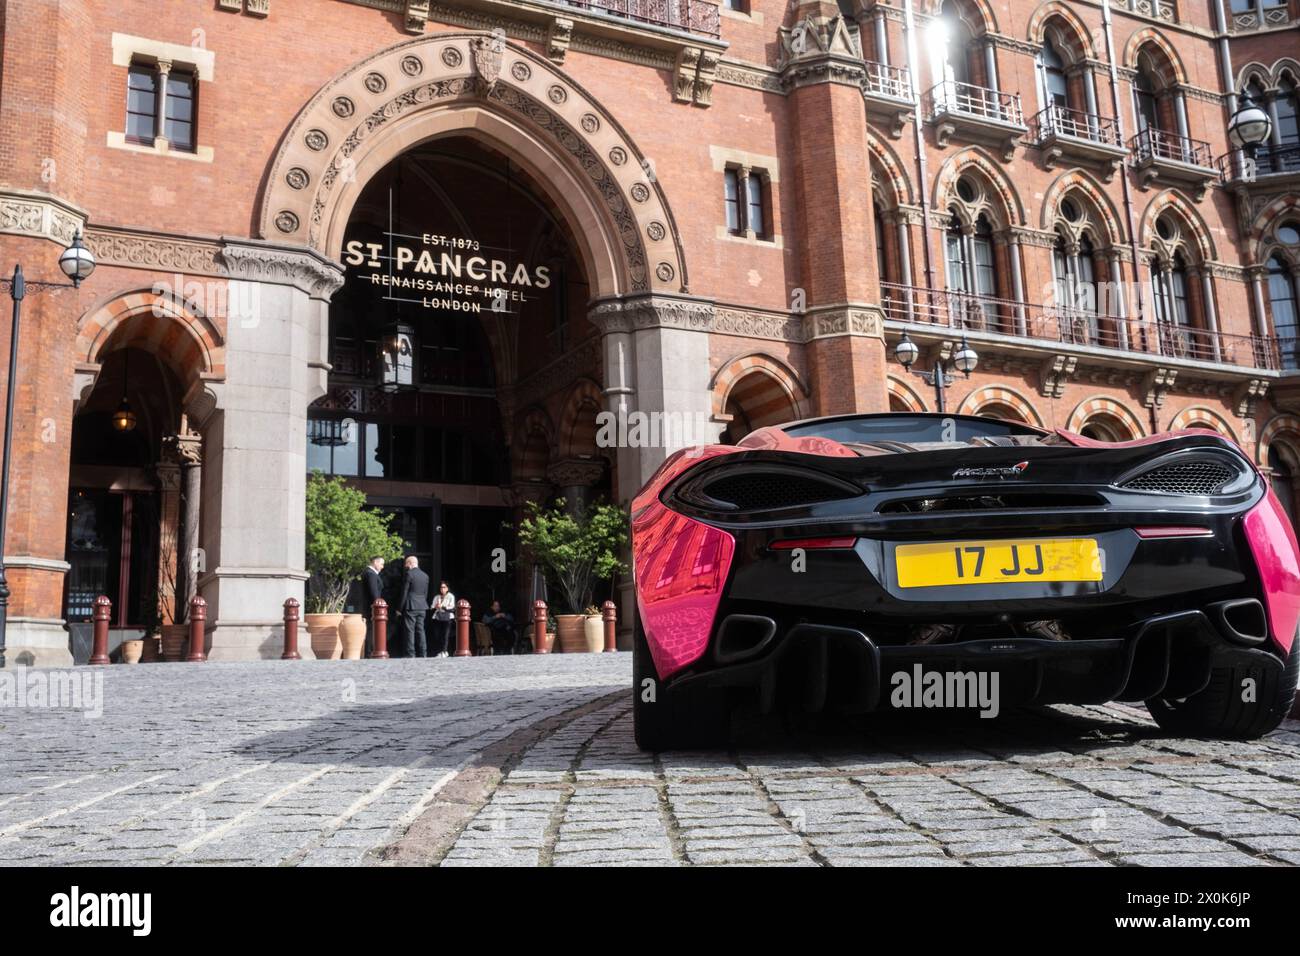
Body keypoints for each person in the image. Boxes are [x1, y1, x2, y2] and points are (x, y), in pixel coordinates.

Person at [398, 555, 430, 658]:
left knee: (410, 630)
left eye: (406, 564)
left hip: (411, 606)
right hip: (422, 606)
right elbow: (425, 593)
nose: (406, 566)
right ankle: (423, 653)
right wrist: (422, 603)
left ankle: (410, 654)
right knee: (421, 630)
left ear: (411, 563)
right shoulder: (425, 576)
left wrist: (399, 608)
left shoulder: (409, 574)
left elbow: (404, 592)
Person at [361, 555, 384, 657]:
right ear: (375, 562)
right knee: (370, 630)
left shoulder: (370, 573)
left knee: (371, 630)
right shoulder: (370, 574)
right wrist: (378, 606)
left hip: (371, 607)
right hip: (371, 608)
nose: (382, 567)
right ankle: (369, 652)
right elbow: (374, 592)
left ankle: (370, 651)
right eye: (381, 564)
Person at [429, 580, 456, 658]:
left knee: (445, 635)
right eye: (441, 587)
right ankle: (440, 651)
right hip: (437, 618)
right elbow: (432, 608)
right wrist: (436, 607)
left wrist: (443, 607)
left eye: (444, 587)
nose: (442, 589)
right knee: (438, 635)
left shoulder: (451, 596)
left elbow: (452, 608)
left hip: (447, 618)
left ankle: (444, 651)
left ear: (447, 588)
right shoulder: (436, 597)